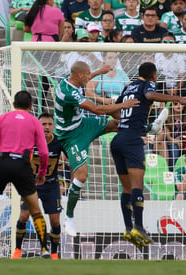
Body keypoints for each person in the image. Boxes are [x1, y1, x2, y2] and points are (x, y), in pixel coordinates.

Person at [110, 62, 186, 247]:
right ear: (153, 75)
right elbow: (149, 95)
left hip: (119, 139)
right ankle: (138, 226)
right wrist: (178, 99)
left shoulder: (128, 87)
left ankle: (128, 228)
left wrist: (131, 122)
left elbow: (115, 110)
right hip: (132, 140)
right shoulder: (148, 84)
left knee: (126, 189)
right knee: (137, 186)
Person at [54, 61, 139, 237]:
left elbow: (86, 79)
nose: (89, 76)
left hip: (82, 124)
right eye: (87, 74)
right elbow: (96, 109)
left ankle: (151, 127)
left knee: (117, 124)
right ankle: (69, 217)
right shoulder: (68, 93)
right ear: (79, 75)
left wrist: (99, 71)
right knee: (82, 176)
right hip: (70, 136)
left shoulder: (73, 80)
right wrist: (122, 105)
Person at [0, 91, 50, 258]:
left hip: (1, 162)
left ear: (14, 104)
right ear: (31, 106)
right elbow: (44, 152)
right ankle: (45, 250)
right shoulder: (35, 121)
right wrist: (42, 173)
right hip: (22, 165)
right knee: (35, 210)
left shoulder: (2, 118)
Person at [11, 112, 64, 260]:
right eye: (43, 124)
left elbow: (71, 161)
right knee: (24, 216)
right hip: (31, 186)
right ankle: (17, 250)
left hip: (51, 186)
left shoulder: (59, 143)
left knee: (55, 221)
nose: (46, 127)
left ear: (54, 126)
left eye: (49, 124)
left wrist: (74, 178)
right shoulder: (29, 141)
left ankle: (53, 253)